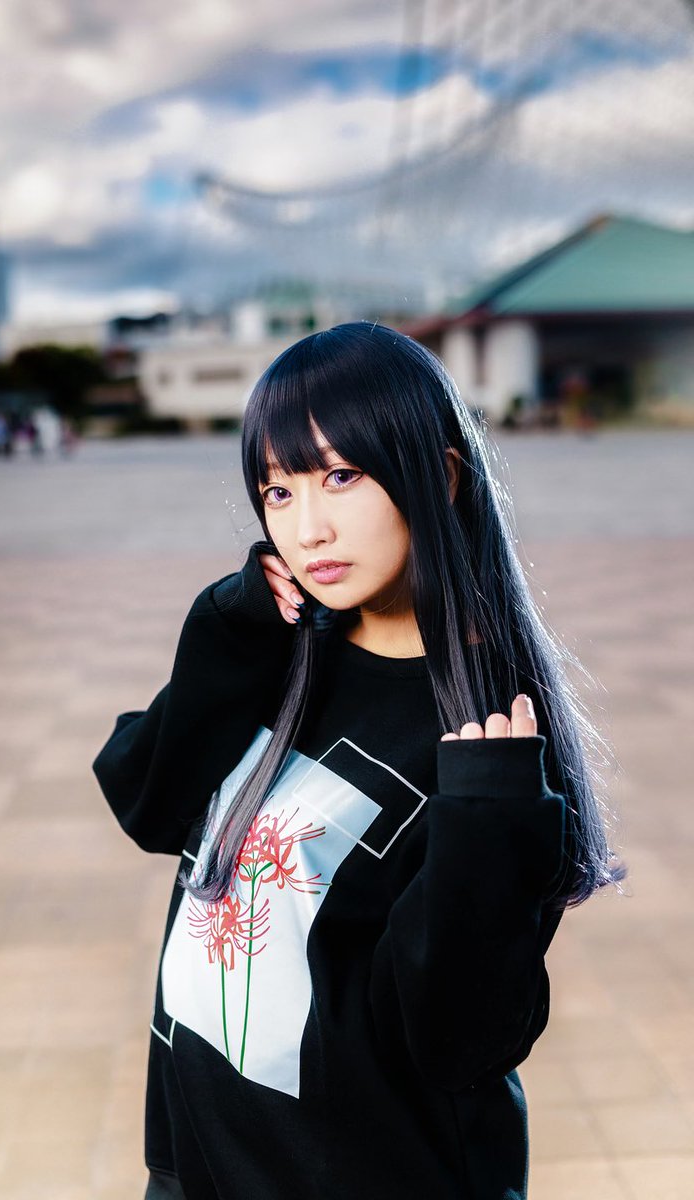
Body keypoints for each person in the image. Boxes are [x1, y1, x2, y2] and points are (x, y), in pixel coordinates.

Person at [91, 322, 627, 1200]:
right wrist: (226, 633)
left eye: (341, 476)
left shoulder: (491, 741)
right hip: (196, 1171)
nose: (308, 528)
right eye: (279, 490)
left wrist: (488, 822)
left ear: (440, 477)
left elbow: (458, 1043)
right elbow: (147, 803)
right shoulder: (277, 653)